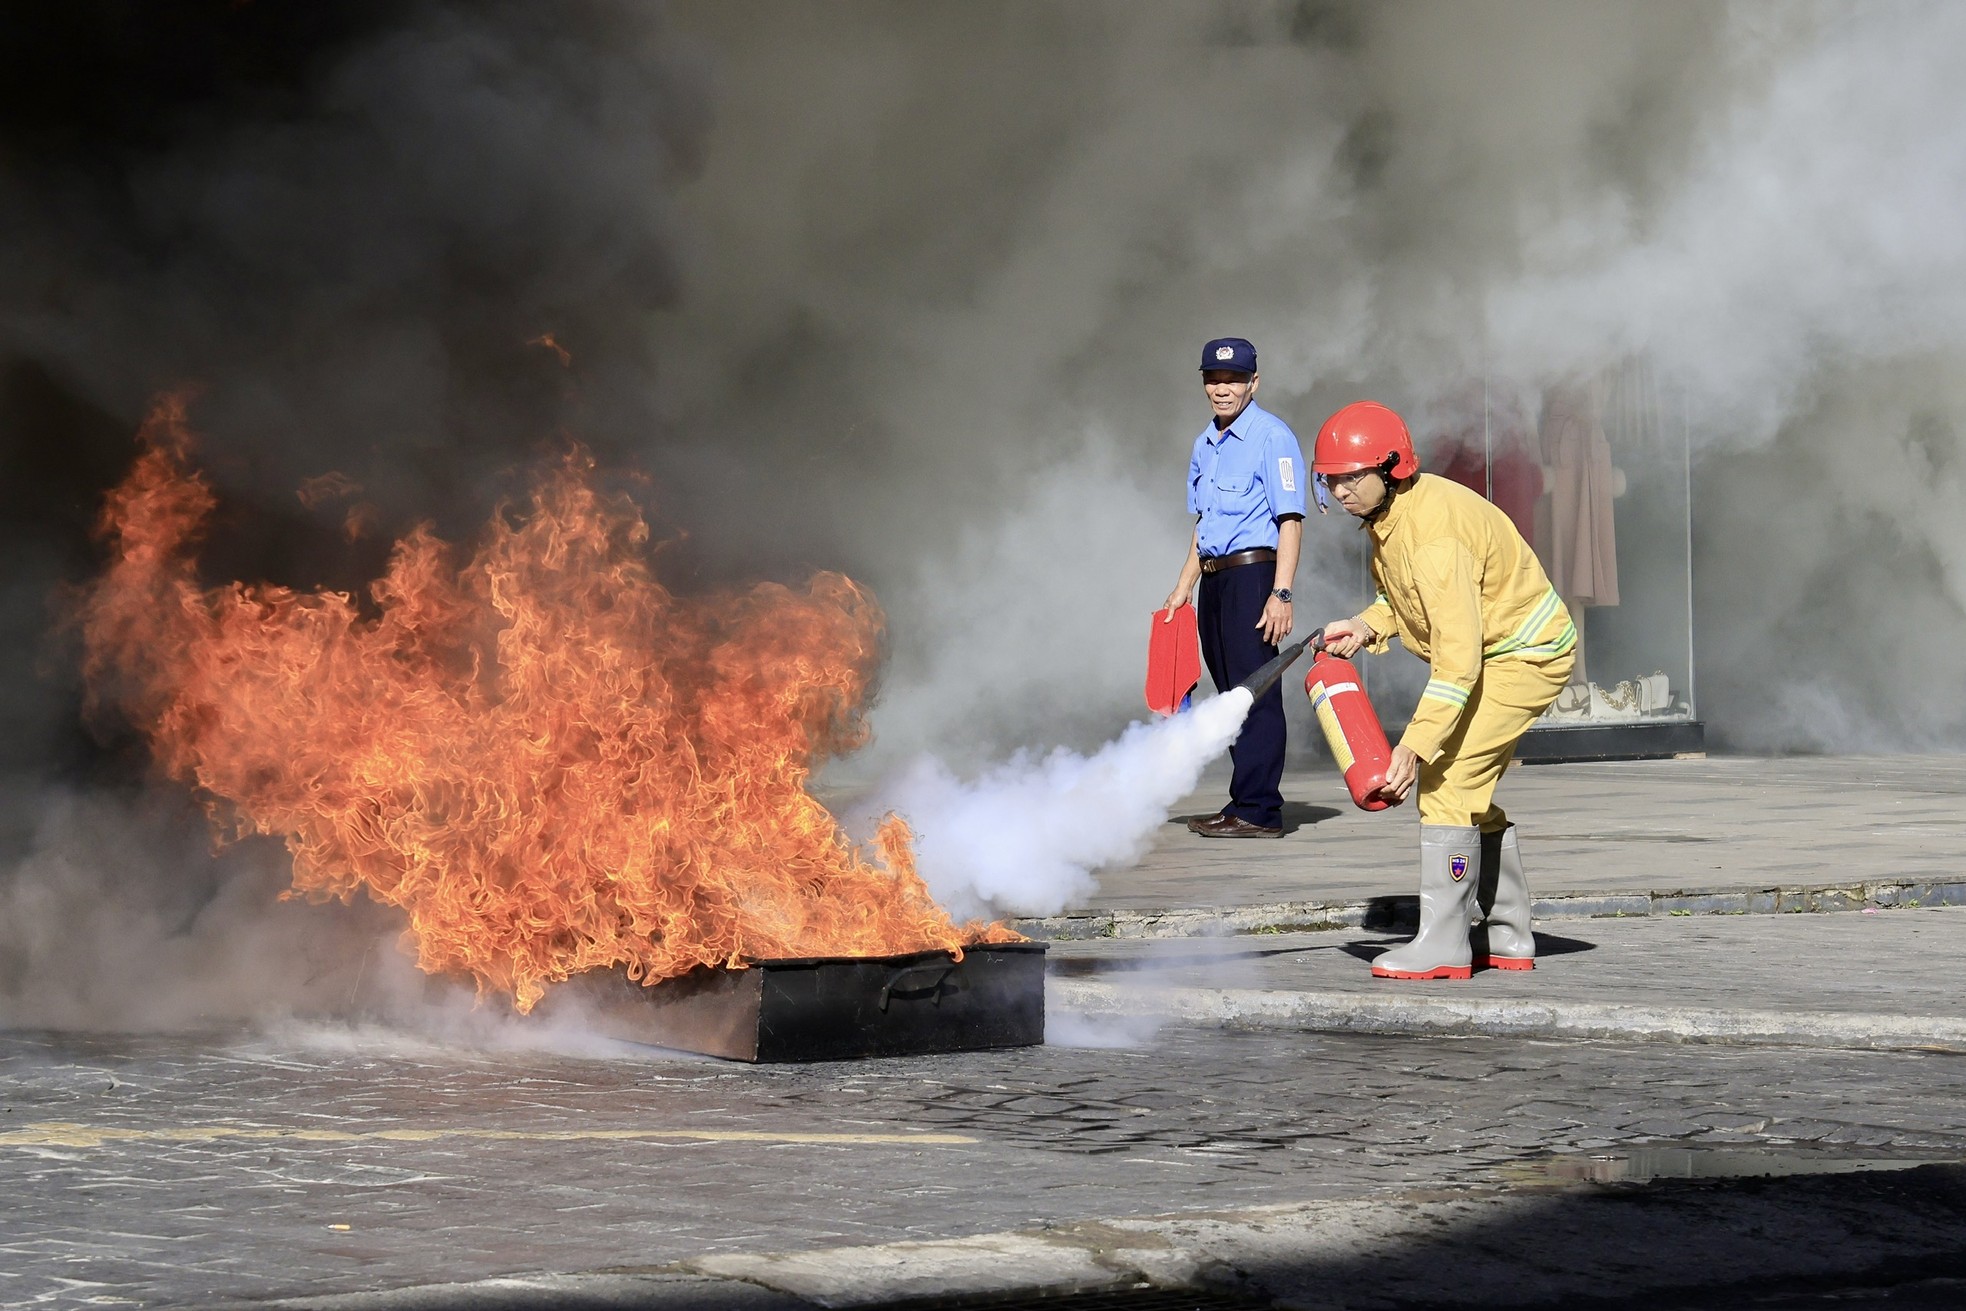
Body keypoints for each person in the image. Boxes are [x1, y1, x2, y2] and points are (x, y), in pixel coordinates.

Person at [1314, 400, 1575, 978]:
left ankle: (1445, 943)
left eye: (1351, 477)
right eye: (1330, 478)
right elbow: (1408, 598)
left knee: (1445, 782)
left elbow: (1457, 663)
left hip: (1522, 656)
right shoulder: (1398, 515)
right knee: (1469, 786)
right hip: (1500, 652)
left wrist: (1412, 746)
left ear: (1391, 469)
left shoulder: (1431, 533)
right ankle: (1508, 935)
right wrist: (1365, 625)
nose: (1339, 491)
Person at [1161, 337, 1307, 838]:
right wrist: (1182, 589)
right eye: (1214, 380)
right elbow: (1204, 523)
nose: (1223, 390)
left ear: (1253, 383)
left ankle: (1260, 811)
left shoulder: (1273, 437)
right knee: (1228, 693)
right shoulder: (1205, 443)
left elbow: (1290, 520)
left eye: (1234, 380)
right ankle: (1242, 801)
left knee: (1256, 693)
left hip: (1254, 578)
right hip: (1215, 581)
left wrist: (1281, 592)